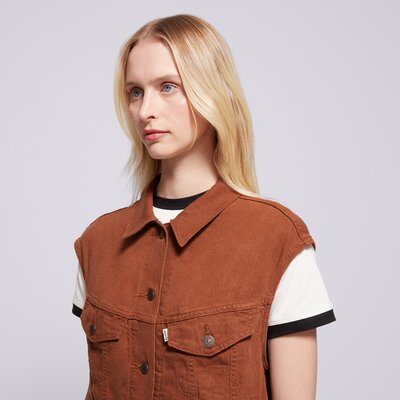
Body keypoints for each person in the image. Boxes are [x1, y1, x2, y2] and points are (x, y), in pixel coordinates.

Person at [72, 14, 336, 400]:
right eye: (135, 92)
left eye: (168, 86)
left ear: (212, 91)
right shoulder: (98, 244)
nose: (145, 110)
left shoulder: (278, 241)